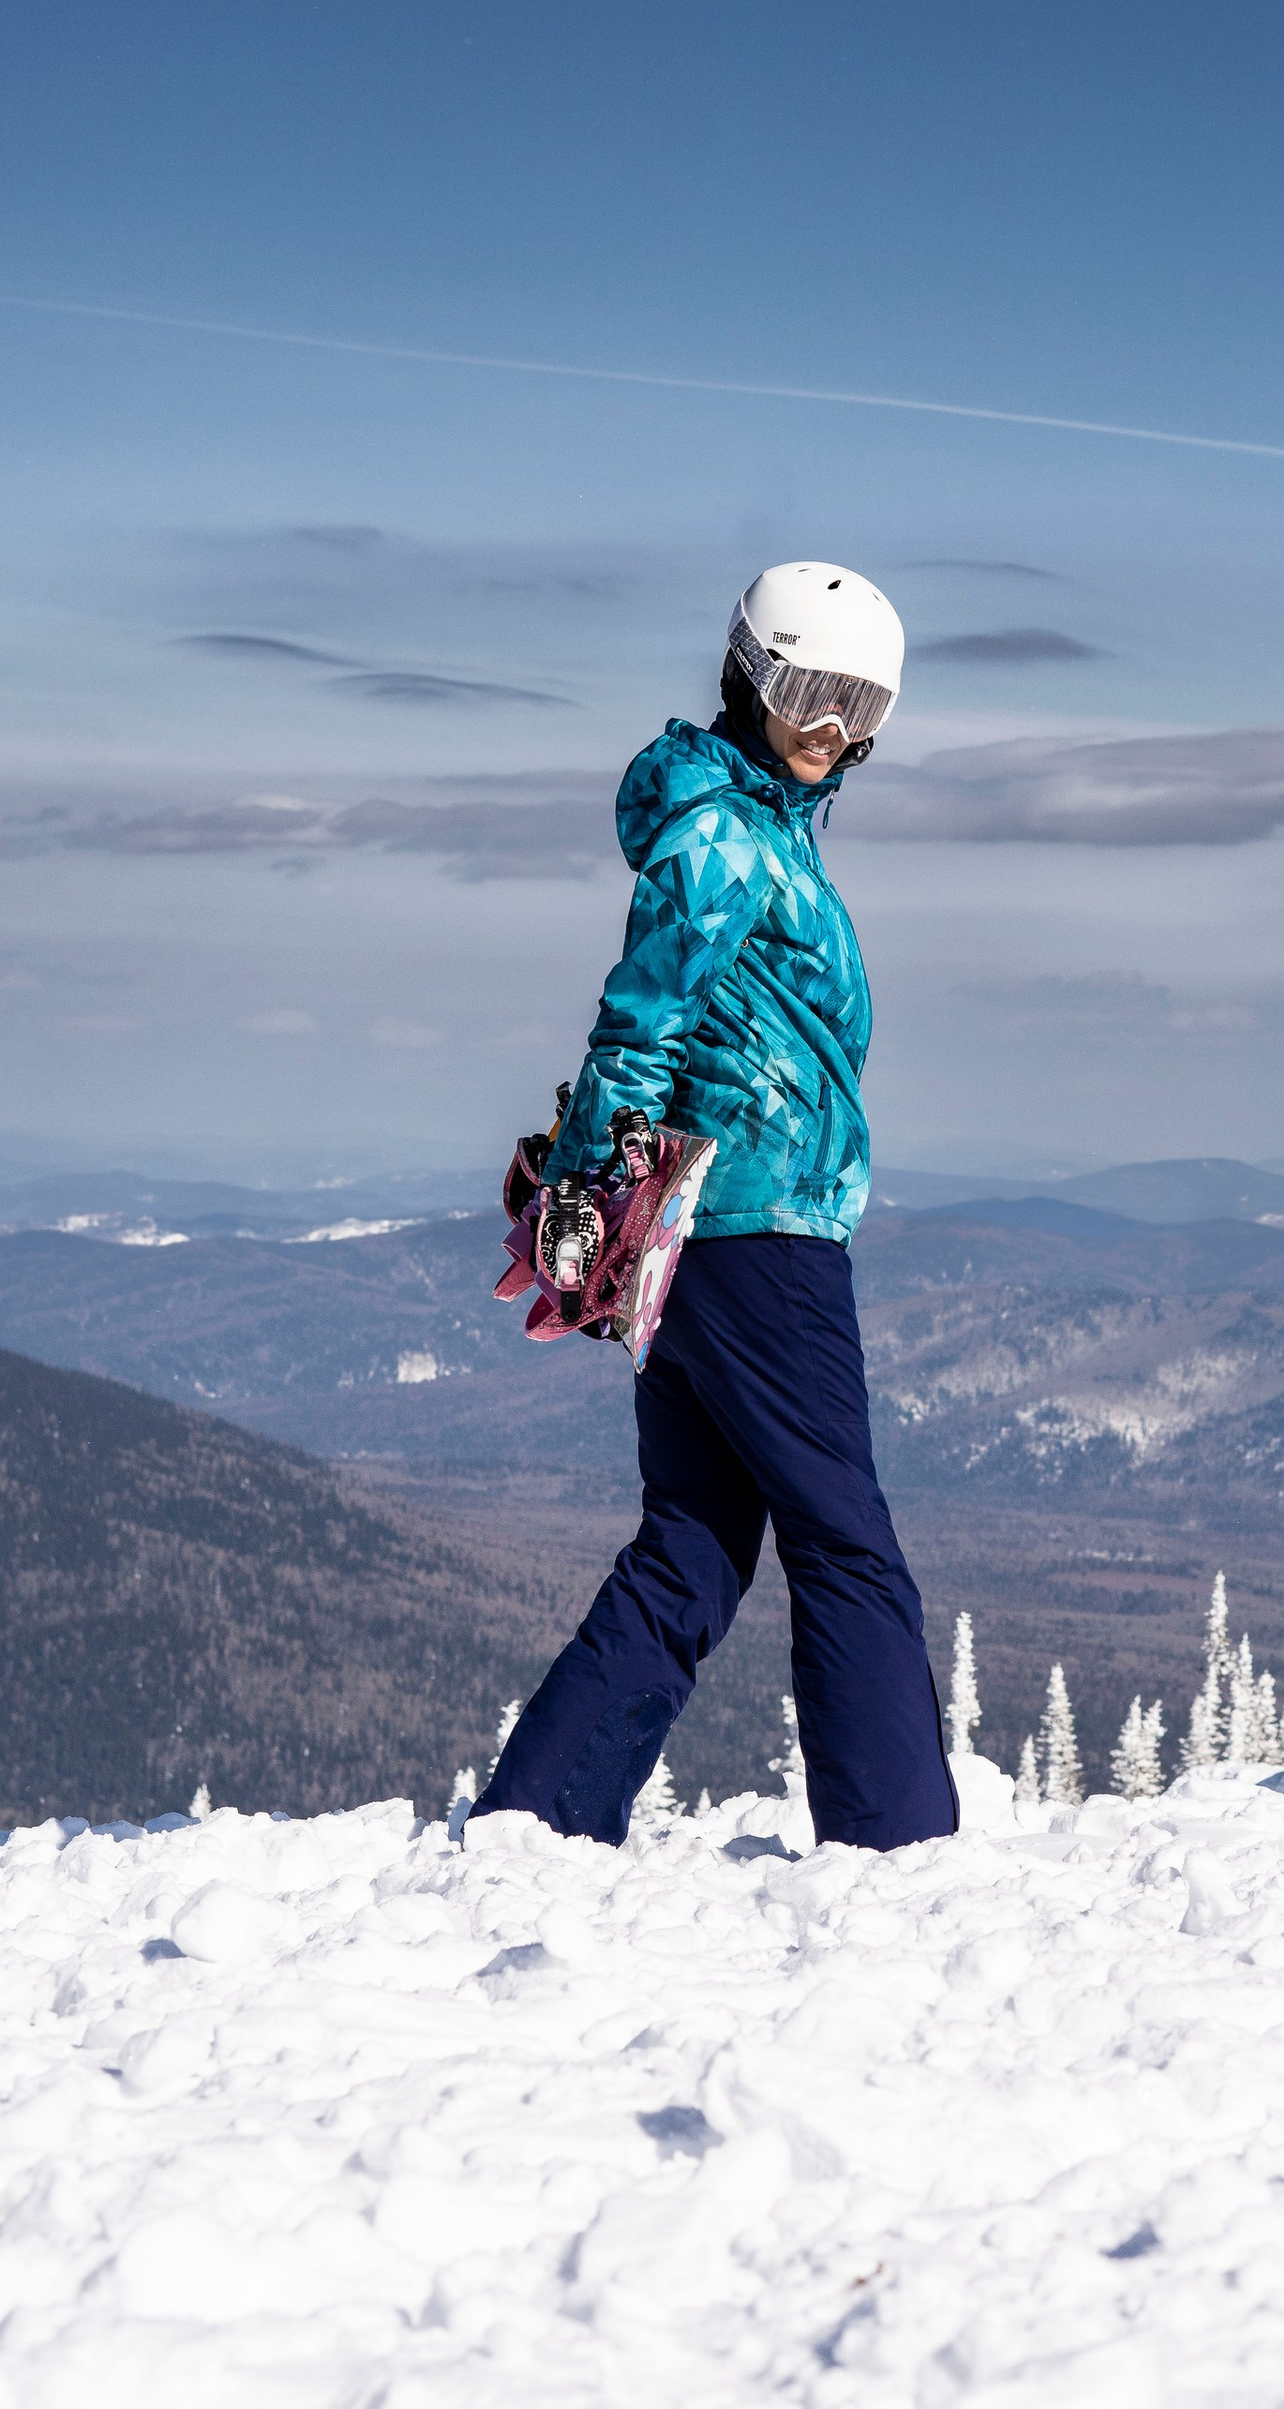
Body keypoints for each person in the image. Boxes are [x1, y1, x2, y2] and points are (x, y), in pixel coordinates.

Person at [473, 562, 957, 1851]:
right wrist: (587, 1175)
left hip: (717, 1234)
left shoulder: (758, 824)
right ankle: (898, 1847)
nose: (837, 731)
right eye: (814, 693)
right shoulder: (724, 840)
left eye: (864, 708)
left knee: (694, 1541)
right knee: (847, 1543)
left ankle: (538, 1825)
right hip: (754, 1237)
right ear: (752, 674)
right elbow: (642, 1015)